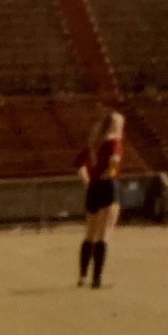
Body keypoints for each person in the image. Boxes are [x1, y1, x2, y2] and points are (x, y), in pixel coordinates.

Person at [76, 111, 125, 289]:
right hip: (108, 186)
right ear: (114, 125)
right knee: (105, 234)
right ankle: (96, 280)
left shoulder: (93, 145)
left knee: (89, 233)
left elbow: (80, 166)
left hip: (93, 187)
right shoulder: (114, 142)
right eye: (121, 124)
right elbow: (114, 161)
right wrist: (109, 174)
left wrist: (89, 181)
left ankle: (82, 276)